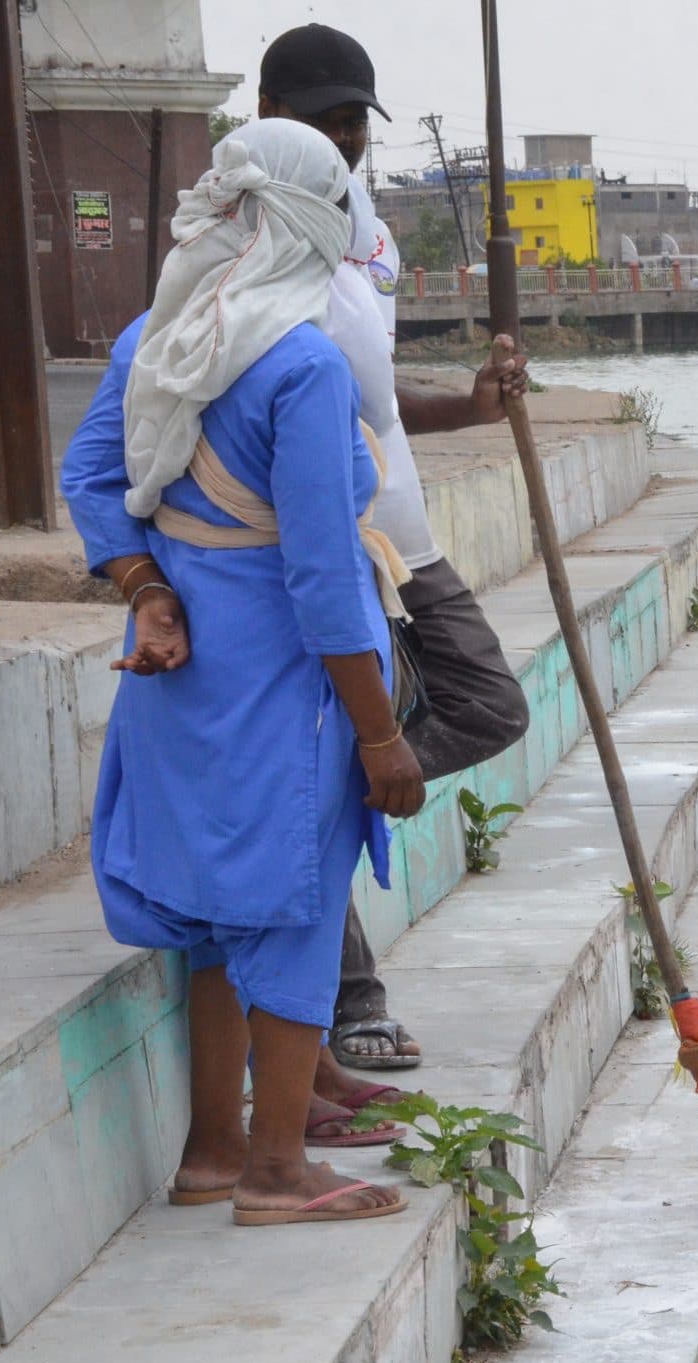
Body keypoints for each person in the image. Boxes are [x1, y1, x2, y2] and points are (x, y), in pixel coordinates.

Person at [61, 118, 415, 1225]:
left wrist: (148, 590)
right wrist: (377, 733)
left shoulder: (150, 342)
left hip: (179, 682)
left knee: (217, 919)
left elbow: (89, 479)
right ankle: (276, 1171)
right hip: (283, 684)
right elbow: (317, 576)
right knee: (299, 907)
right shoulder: (302, 366)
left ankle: (213, 1150)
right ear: (315, 222)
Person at [255, 24, 534, 1126]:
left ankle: (332, 806)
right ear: (266, 109)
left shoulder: (364, 236)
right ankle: (348, 988)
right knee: (346, 750)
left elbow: (366, 399)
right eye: (316, 118)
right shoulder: (246, 226)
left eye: (350, 122)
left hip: (401, 540)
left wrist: (466, 405)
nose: (338, 139)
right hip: (315, 552)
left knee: (487, 704)